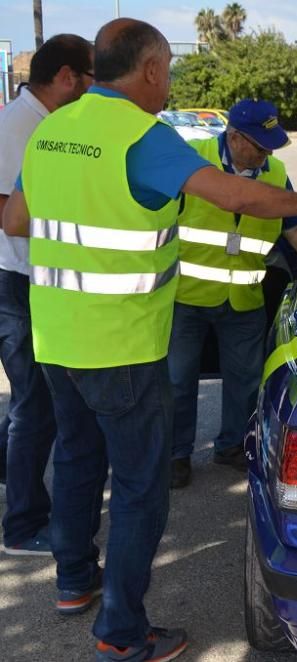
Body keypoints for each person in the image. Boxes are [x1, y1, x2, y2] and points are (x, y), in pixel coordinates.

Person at [2, 18, 297, 661]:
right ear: (147, 69)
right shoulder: (143, 136)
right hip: (123, 343)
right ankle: (121, 631)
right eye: (166, 70)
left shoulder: (52, 130)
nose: (167, 83)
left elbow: (18, 219)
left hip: (54, 335)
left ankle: (73, 582)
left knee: (79, 464)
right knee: (141, 487)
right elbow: (237, 197)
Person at [168, 99, 297, 489]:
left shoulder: (276, 173)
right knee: (178, 380)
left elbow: (295, 231)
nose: (266, 155)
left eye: (271, 146)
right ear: (233, 136)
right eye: (259, 146)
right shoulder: (192, 160)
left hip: (244, 298)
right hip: (187, 295)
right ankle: (176, 455)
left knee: (245, 380)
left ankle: (232, 445)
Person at [0, 34, 93, 557]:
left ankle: (14, 475)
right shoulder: (20, 126)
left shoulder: (41, 122)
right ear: (66, 77)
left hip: (32, 281)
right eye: (90, 79)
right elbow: (6, 214)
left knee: (34, 406)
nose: (92, 90)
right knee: (34, 408)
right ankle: (23, 524)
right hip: (16, 282)